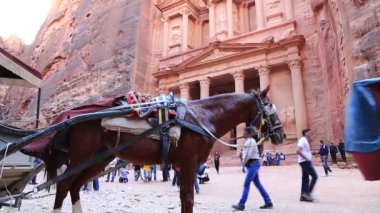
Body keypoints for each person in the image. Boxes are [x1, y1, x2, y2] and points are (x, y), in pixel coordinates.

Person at [232, 126, 273, 211]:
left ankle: (241, 204)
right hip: (252, 164)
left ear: (249, 133)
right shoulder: (249, 141)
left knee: (246, 184)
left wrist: (243, 164)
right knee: (258, 184)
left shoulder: (250, 141)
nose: (243, 134)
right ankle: (268, 201)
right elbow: (246, 154)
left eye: (245, 132)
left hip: (252, 165)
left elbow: (248, 154)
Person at [297, 129, 318, 202]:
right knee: (315, 176)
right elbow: (298, 151)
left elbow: (305, 151)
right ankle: (308, 194)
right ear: (305, 133)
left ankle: (303, 196)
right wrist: (306, 158)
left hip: (304, 161)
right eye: (309, 132)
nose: (310, 133)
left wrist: (312, 153)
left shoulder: (305, 140)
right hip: (305, 162)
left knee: (305, 178)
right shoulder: (303, 140)